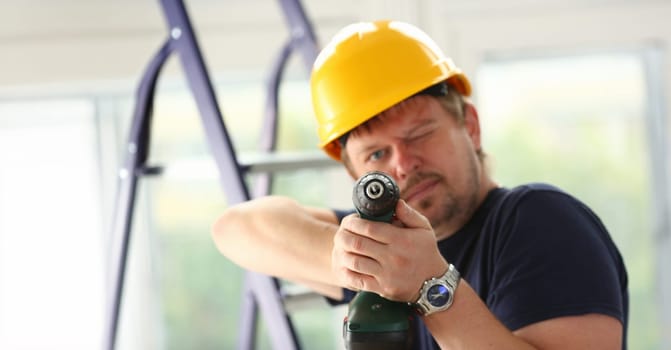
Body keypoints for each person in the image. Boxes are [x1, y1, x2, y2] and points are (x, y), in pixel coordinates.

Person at [212, 19, 628, 349]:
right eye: (377, 155)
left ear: (470, 126)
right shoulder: (387, 237)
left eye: (419, 135)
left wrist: (430, 287)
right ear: (355, 175)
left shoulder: (539, 220)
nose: (404, 165)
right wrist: (361, 263)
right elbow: (236, 228)